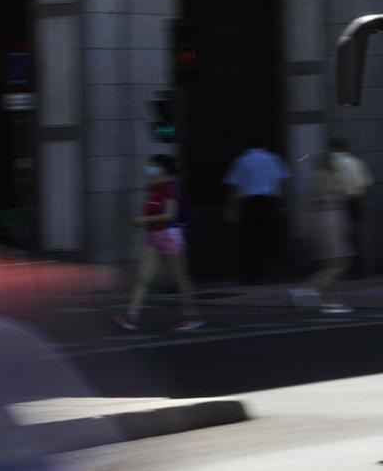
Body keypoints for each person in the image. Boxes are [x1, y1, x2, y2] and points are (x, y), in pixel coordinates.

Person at [115, 155, 203, 332]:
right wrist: (145, 222)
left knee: (179, 277)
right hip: (153, 235)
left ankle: (192, 316)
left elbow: (171, 215)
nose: (148, 168)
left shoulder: (170, 187)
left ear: (162, 168)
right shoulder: (154, 188)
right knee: (143, 277)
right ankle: (130, 317)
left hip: (169, 234)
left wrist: (143, 219)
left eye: (152, 165)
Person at [292, 152, 355, 314]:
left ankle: (332, 301)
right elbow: (345, 191)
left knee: (330, 264)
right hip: (331, 223)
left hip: (321, 223)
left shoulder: (314, 179)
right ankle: (308, 288)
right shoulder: (329, 177)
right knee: (338, 263)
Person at [223, 141, 291, 283]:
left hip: (250, 204)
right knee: (271, 236)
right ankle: (274, 272)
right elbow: (280, 184)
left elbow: (236, 188)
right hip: (269, 202)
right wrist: (281, 203)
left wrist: (232, 208)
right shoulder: (273, 158)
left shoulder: (241, 160)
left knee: (250, 239)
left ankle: (253, 274)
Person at [326, 138, 373, 272]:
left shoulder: (332, 163)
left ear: (331, 148)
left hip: (339, 201)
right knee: (355, 234)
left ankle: (344, 267)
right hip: (357, 200)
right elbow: (366, 184)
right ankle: (357, 268)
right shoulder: (357, 162)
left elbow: (331, 185)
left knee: (340, 236)